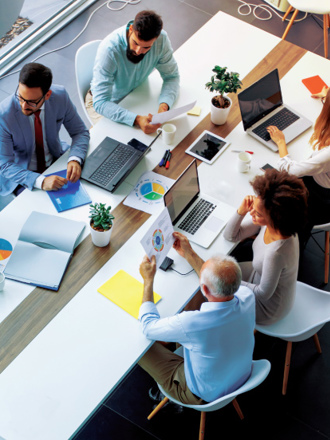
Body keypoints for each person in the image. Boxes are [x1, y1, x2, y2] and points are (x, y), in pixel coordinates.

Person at [138, 253, 255, 405]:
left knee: (139, 347)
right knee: (192, 303)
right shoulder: (248, 295)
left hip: (202, 394)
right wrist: (189, 252)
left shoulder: (192, 324)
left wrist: (148, 280)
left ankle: (172, 397)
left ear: (205, 289)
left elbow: (148, 326)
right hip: (240, 374)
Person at [223, 169, 308, 325]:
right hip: (257, 276)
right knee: (214, 280)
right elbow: (231, 236)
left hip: (267, 308)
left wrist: (228, 280)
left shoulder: (276, 253)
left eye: (258, 213)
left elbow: (262, 294)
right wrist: (240, 211)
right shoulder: (277, 226)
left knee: (214, 288)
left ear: (275, 218)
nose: (251, 213)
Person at [0, 62, 89, 197]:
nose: (24, 106)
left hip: (55, 160)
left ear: (47, 95)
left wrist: (75, 159)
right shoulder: (4, 115)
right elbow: (4, 164)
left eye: (31, 102)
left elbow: (80, 132)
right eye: (20, 97)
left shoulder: (60, 96)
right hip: (22, 176)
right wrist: (41, 181)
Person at [87, 10, 180, 133]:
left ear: (156, 39)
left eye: (146, 47)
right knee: (121, 143)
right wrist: (136, 119)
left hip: (134, 93)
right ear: (131, 29)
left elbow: (171, 77)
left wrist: (164, 107)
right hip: (105, 102)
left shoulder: (161, 40)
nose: (138, 50)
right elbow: (100, 102)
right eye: (135, 42)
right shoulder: (109, 50)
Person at [267, 85, 330, 231]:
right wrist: (326, 95)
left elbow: (291, 170)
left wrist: (281, 143)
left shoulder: (327, 156)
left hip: (317, 201)